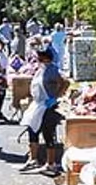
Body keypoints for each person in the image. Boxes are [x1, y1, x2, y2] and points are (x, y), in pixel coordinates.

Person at [20, 47, 64, 176]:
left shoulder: (53, 70)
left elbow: (64, 83)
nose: (37, 59)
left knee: (48, 133)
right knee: (32, 130)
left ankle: (51, 163)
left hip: (48, 106)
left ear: (45, 57)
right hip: (37, 104)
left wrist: (55, 97)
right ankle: (33, 159)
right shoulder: (40, 69)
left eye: (39, 56)